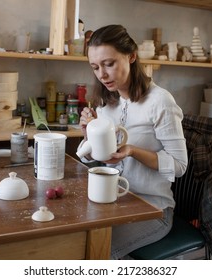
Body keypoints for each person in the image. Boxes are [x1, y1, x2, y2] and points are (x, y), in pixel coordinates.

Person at [77, 24, 188, 259]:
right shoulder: (107, 102)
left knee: (95, 253)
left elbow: (179, 165)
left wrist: (132, 151)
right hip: (112, 201)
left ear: (132, 56)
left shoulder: (160, 101)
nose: (102, 74)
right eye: (95, 67)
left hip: (153, 209)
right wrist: (90, 134)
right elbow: (92, 156)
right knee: (72, 240)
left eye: (109, 64)